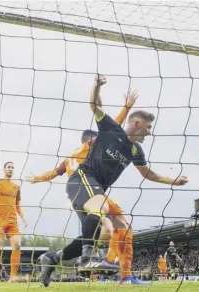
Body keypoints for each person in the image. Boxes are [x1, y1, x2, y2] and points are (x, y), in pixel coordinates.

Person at [42, 75, 188, 285]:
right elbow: (95, 105)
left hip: (96, 189)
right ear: (137, 123)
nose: (149, 132)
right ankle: (87, 259)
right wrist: (96, 86)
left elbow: (148, 174)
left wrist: (174, 181)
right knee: (99, 208)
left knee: (109, 231)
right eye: (147, 127)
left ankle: (53, 258)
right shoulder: (111, 129)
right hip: (81, 179)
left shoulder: (136, 150)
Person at [29, 88, 137, 287]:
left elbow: (53, 172)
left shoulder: (70, 157)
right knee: (113, 227)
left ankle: (53, 258)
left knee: (99, 231)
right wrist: (127, 107)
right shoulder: (92, 146)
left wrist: (36, 178)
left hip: (77, 193)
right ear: (91, 140)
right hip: (89, 187)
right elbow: (113, 128)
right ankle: (103, 261)